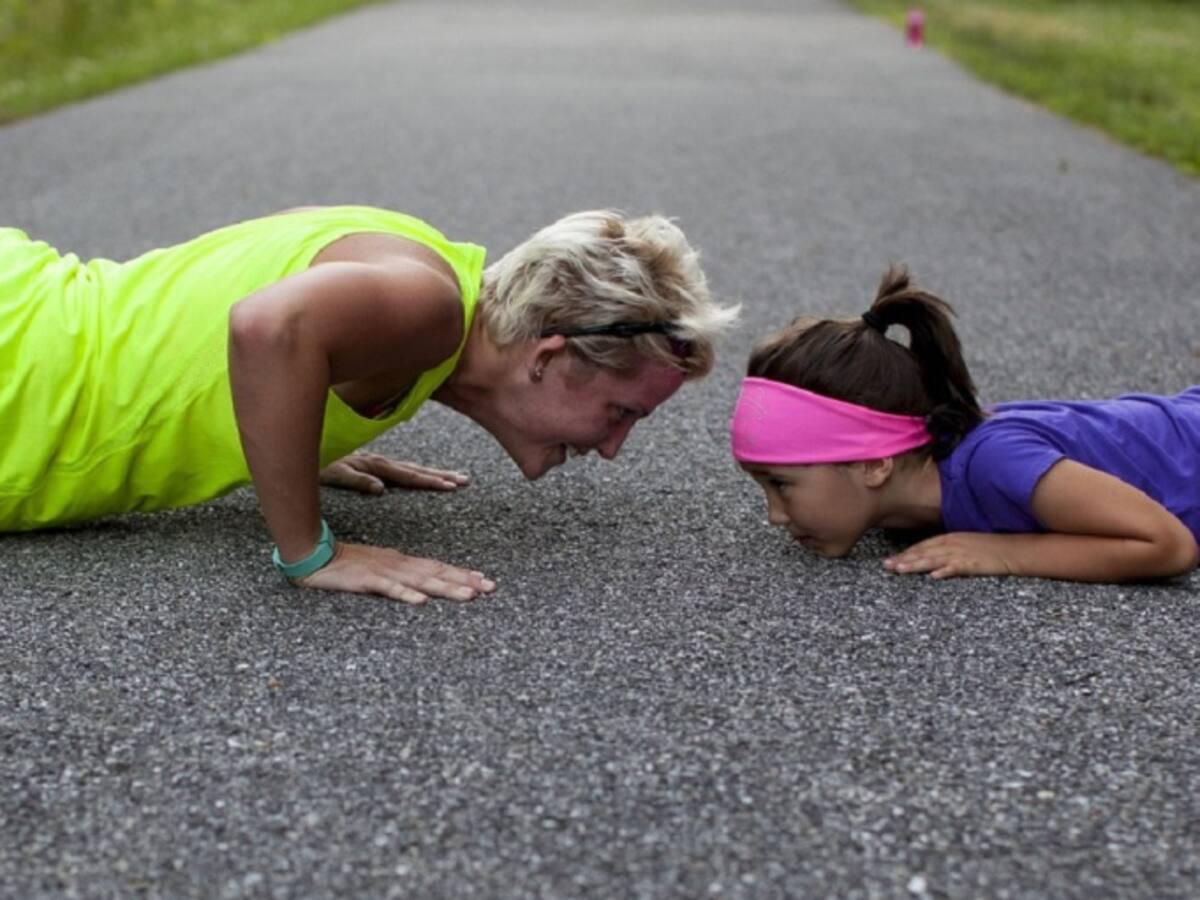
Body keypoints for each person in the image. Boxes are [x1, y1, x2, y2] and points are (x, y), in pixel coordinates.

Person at [2, 205, 738, 601]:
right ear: (549, 357)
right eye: (622, 413)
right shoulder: (429, 307)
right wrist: (310, 550)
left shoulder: (429, 273)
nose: (614, 448)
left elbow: (240, 321)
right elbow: (267, 327)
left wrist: (295, 429)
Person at [730, 265, 1200, 583]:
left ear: (875, 463)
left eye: (782, 485)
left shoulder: (996, 463)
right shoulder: (905, 496)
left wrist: (1006, 554)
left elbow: (1165, 543)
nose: (774, 515)